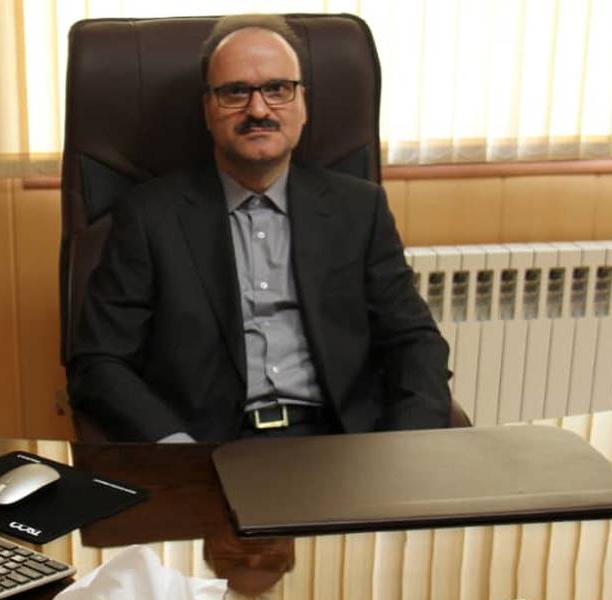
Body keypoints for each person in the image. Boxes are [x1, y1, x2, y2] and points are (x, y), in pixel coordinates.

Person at [68, 14, 451, 442]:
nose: (258, 109)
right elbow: (99, 361)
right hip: (207, 448)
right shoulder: (148, 217)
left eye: (277, 89)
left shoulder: (360, 209)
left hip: (341, 444)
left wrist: (406, 443)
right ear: (208, 109)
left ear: (302, 104)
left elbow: (415, 341)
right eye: (235, 92)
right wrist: (175, 449)